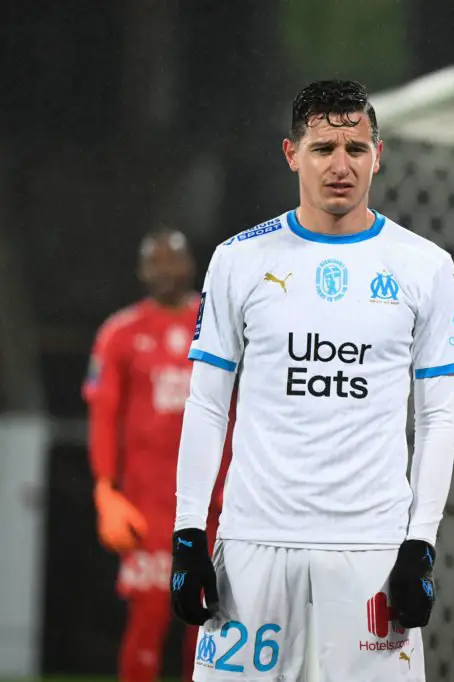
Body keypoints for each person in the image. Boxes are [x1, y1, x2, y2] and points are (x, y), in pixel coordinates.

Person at [170, 79, 454, 682]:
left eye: (355, 149)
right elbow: (206, 404)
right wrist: (187, 532)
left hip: (372, 544)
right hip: (254, 538)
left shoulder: (426, 266)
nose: (341, 165)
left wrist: (421, 543)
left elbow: (438, 416)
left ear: (377, 156)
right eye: (323, 148)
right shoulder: (238, 260)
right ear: (292, 154)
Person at [83, 229, 231, 682]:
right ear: (141, 271)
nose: (165, 270)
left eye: (174, 259)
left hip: (215, 502)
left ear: (191, 265)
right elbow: (104, 416)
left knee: (207, 622)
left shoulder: (219, 323)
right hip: (148, 505)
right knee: (148, 617)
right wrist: (105, 490)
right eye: (156, 261)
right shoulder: (120, 333)